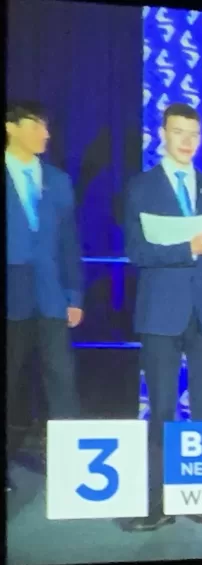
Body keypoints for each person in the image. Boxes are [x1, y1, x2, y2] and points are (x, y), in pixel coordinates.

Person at [122, 102, 202, 532]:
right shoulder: (141, 187)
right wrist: (188, 247)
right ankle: (158, 502)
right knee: (163, 409)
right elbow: (137, 252)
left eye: (194, 133)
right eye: (179, 132)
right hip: (160, 313)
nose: (187, 141)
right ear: (163, 134)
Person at [5, 101, 83, 493]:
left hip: (51, 294)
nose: (45, 134)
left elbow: (69, 242)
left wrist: (74, 294)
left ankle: (69, 465)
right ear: (11, 127)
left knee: (62, 379)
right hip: (12, 294)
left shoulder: (57, 180)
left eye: (47, 127)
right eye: (36, 126)